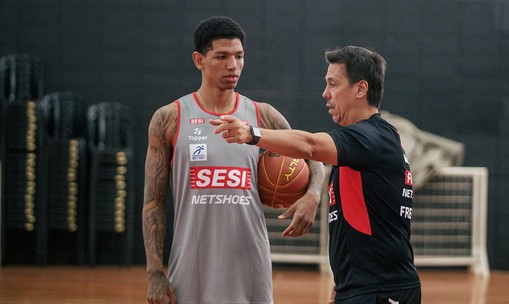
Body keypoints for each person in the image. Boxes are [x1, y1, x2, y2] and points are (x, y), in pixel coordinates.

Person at [212, 46, 422, 304]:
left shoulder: (372, 137)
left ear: (360, 89)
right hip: (360, 286)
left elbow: (310, 145)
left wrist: (252, 134)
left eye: (333, 84)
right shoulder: (364, 143)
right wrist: (342, 282)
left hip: (381, 289)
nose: (325, 94)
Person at [141, 16, 325, 304]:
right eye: (222, 57)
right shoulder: (170, 118)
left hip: (249, 262)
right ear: (199, 60)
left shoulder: (262, 115)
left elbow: (313, 155)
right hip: (191, 263)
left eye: (239, 56)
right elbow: (153, 202)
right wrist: (154, 273)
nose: (233, 65)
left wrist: (313, 196)